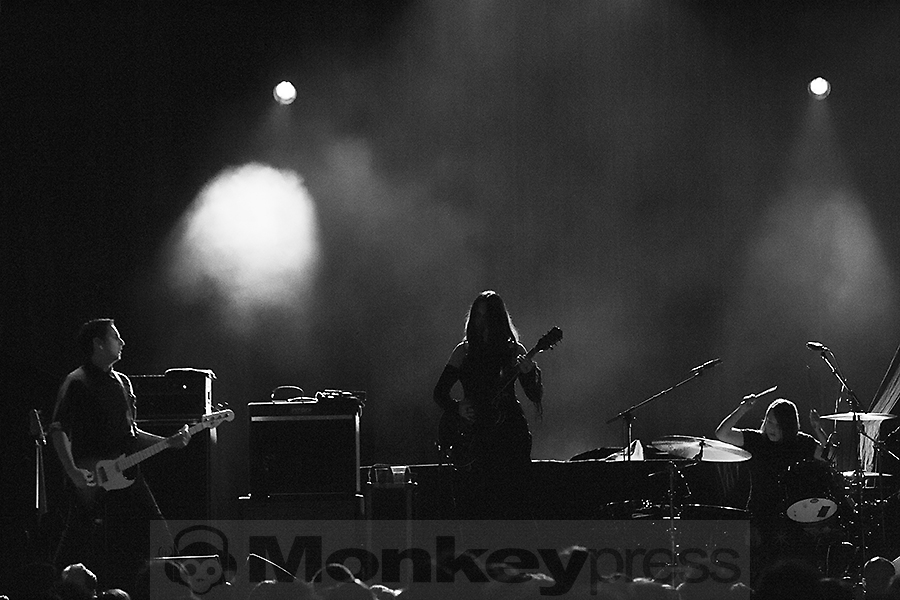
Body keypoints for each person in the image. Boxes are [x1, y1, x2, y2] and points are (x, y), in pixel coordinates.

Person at [49, 319, 192, 598]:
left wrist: (168, 442)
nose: (123, 342)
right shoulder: (76, 381)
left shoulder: (123, 382)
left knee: (160, 536)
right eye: (115, 337)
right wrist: (73, 471)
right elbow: (58, 429)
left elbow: (132, 435)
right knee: (76, 543)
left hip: (127, 475)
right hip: (92, 479)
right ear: (98, 344)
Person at [433, 290, 544, 518]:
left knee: (513, 501)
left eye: (487, 317)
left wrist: (529, 373)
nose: (481, 322)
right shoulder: (463, 352)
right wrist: (458, 407)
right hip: (477, 435)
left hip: (510, 433)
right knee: (479, 502)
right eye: (478, 316)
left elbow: (534, 395)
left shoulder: (515, 351)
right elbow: (440, 393)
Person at [715, 395, 838, 581]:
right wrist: (743, 409)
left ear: (789, 426)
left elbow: (830, 458)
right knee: (760, 570)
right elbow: (722, 434)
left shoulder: (801, 442)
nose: (772, 428)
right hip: (760, 514)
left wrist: (818, 430)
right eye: (770, 422)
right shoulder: (756, 440)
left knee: (791, 571)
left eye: (779, 425)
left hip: (793, 517)